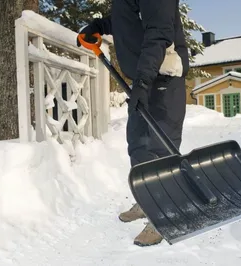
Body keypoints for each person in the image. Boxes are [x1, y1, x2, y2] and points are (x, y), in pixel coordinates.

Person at [76, 0, 189, 247]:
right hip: (144, 78)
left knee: (161, 147)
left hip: (163, 77)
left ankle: (165, 213)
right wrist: (99, 25)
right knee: (138, 144)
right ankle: (147, 199)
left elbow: (158, 33)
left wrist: (143, 82)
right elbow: (128, 19)